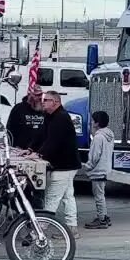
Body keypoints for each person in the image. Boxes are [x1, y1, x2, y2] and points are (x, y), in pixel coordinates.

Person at [26, 90, 82, 233]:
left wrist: (38, 154)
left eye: (46, 100)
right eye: (43, 100)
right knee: (68, 196)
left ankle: (39, 232)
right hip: (66, 164)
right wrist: (30, 148)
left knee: (52, 198)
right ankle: (72, 227)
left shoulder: (61, 118)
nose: (43, 102)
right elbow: (41, 134)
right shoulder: (50, 116)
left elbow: (53, 142)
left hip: (64, 165)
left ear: (56, 102)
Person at [82, 111, 114, 230]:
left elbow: (95, 156)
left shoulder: (98, 137)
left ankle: (101, 219)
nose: (91, 122)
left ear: (97, 123)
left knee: (98, 196)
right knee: (101, 194)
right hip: (105, 169)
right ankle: (104, 215)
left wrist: (88, 167)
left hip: (98, 171)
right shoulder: (109, 135)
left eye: (92, 120)